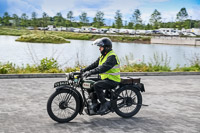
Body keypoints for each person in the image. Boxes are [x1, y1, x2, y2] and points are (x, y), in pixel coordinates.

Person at [82, 37, 120, 114]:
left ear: (106, 48)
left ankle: (105, 103)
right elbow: (95, 64)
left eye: (101, 47)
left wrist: (90, 72)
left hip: (113, 80)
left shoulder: (112, 57)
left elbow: (102, 68)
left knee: (97, 85)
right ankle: (94, 102)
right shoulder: (103, 56)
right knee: (89, 82)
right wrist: (84, 70)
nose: (99, 49)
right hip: (105, 78)